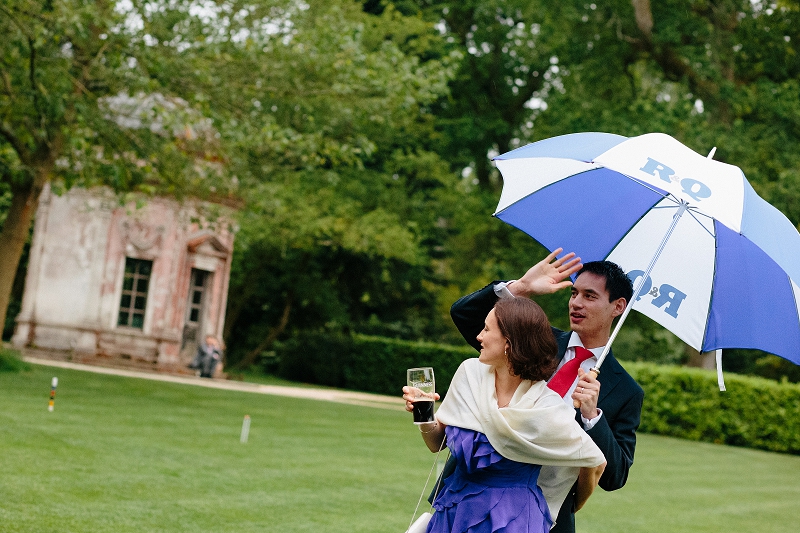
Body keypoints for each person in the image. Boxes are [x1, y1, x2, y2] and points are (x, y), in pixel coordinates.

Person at [448, 248, 644, 533]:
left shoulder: (626, 391)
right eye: (574, 293)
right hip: (476, 495)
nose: (576, 303)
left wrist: (592, 416)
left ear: (618, 306)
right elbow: (465, 316)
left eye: (590, 296)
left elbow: (615, 476)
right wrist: (521, 288)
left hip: (545, 517)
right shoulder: (536, 340)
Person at [403, 297, 607, 533]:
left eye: (487, 329)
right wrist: (425, 414)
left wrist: (570, 506)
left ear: (509, 342)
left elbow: (595, 462)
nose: (479, 336)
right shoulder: (469, 374)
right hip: (453, 511)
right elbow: (437, 444)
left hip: (514, 521)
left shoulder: (546, 406)